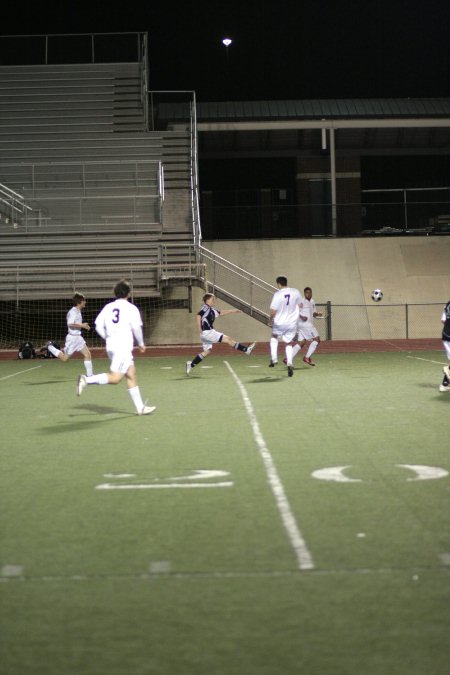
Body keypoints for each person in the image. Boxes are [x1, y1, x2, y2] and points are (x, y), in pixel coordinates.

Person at [76, 279, 155, 415]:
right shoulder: (131, 308)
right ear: (128, 293)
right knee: (115, 378)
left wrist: (107, 336)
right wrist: (141, 343)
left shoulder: (108, 307)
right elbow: (136, 328)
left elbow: (98, 325)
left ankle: (140, 408)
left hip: (112, 347)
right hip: (122, 348)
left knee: (131, 373)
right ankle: (86, 380)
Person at [186, 293, 256, 375]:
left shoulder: (211, 310)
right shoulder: (206, 307)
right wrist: (199, 328)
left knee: (207, 351)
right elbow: (198, 315)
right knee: (227, 339)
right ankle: (246, 350)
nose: (214, 300)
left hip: (206, 334)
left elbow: (220, 313)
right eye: (213, 299)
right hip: (208, 332)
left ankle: (190, 365)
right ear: (207, 300)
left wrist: (233, 311)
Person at [45, 292, 93, 376]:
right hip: (72, 339)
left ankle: (90, 375)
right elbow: (70, 324)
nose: (85, 302)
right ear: (79, 302)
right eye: (84, 301)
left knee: (87, 354)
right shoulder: (73, 312)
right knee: (64, 359)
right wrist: (82, 325)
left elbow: (75, 323)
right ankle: (50, 347)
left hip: (78, 338)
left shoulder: (78, 311)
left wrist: (83, 325)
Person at [269, 276, 302, 377]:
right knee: (288, 343)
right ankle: (290, 363)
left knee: (274, 337)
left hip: (279, 322)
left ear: (279, 284)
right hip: (291, 323)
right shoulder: (295, 291)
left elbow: (273, 311)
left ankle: (274, 358)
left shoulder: (277, 294)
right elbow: (300, 305)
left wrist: (270, 320)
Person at [290, 286, 323, 366]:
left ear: (311, 293)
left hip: (304, 325)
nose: (308, 294)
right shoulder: (301, 301)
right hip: (305, 324)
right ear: (304, 294)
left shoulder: (312, 301)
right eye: (307, 293)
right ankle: (307, 357)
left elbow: (313, 314)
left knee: (302, 342)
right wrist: (302, 317)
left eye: (310, 292)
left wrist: (317, 314)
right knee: (317, 339)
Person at [440, 299, 450, 392]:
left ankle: (444, 384)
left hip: (446, 335)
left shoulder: (447, 304)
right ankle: (447, 369)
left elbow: (443, 320)